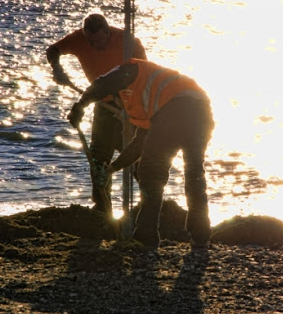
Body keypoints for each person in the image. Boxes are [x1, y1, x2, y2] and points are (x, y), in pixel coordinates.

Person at [67, 58, 215, 249]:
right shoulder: (150, 106)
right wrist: (112, 168)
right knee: (194, 172)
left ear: (119, 97)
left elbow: (102, 83)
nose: (120, 114)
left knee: (151, 171)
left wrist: (80, 106)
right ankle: (200, 234)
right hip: (201, 112)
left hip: (177, 108)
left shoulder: (132, 72)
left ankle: (147, 234)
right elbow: (139, 146)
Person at [46, 13, 147, 214]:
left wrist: (128, 106)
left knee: (136, 157)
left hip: (128, 106)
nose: (94, 45)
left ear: (108, 33)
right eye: (90, 41)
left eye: (99, 41)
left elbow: (144, 73)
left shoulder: (128, 41)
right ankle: (102, 207)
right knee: (99, 157)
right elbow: (53, 50)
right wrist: (57, 68)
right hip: (102, 105)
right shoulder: (78, 39)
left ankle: (149, 204)